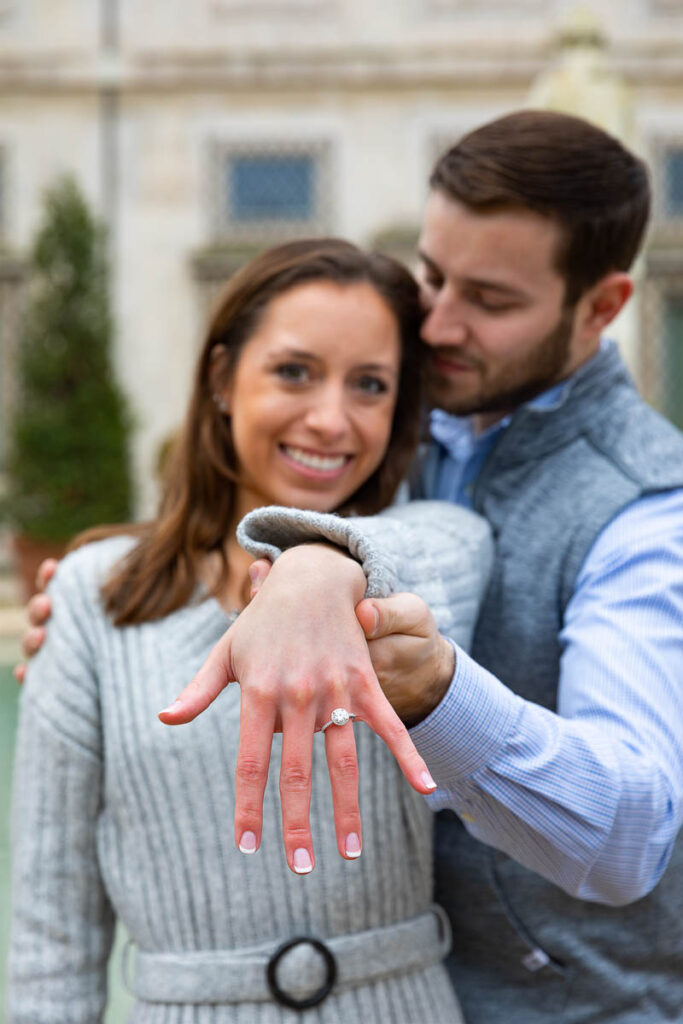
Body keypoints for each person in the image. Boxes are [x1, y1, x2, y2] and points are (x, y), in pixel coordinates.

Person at [153, 111, 683, 1023]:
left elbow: (630, 836)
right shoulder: (407, 409)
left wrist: (439, 692)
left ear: (601, 308)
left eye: (490, 299)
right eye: (431, 274)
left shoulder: (649, 509)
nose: (434, 323)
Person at [8, 238, 494, 1022]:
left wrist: (321, 562)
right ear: (222, 378)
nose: (331, 418)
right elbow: (51, 935)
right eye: (294, 371)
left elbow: (438, 551)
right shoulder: (93, 597)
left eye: (369, 385)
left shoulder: (430, 549)